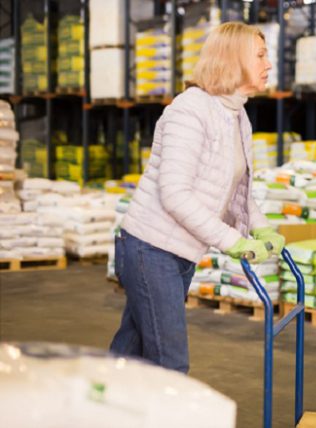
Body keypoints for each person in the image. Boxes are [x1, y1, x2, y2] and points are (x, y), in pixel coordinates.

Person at [110, 22, 285, 373]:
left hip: (178, 251)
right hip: (150, 248)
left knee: (131, 348)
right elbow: (174, 194)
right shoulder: (189, 110)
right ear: (233, 59)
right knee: (170, 362)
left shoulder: (237, 114)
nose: (270, 64)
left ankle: (91, 407)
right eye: (261, 56)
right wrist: (231, 240)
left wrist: (262, 229)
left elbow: (239, 191)